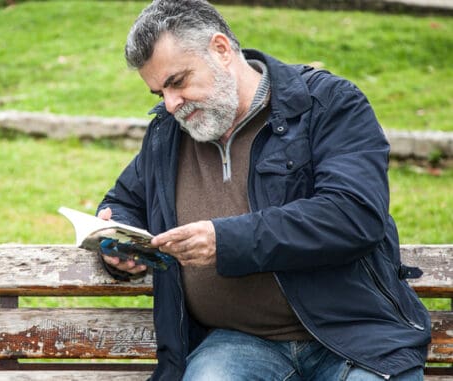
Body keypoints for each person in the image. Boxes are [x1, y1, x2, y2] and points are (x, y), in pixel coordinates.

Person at [96, 0, 431, 380]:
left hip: (354, 336)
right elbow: (123, 201)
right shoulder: (168, 136)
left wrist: (224, 240)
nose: (171, 104)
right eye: (160, 94)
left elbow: (354, 215)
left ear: (221, 50)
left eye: (177, 82)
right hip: (236, 343)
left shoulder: (329, 104)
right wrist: (117, 240)